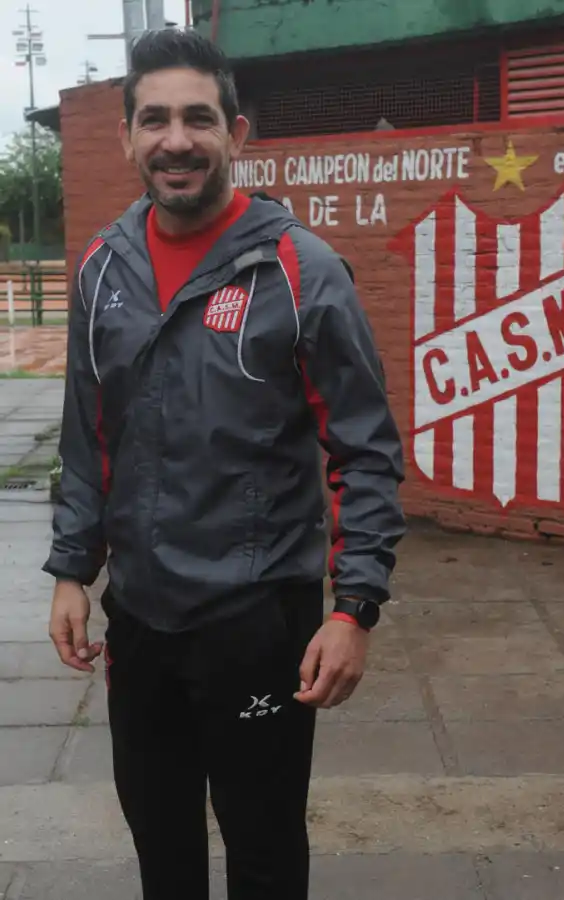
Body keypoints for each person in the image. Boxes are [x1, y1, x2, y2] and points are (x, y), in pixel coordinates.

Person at [45, 28, 405, 900]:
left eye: (198, 119)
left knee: (265, 851)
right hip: (141, 620)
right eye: (155, 120)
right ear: (128, 137)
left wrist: (354, 609)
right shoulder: (103, 269)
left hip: (259, 624)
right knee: (161, 844)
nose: (177, 140)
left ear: (235, 134)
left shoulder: (300, 270)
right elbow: (89, 434)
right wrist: (71, 569)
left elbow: (365, 450)